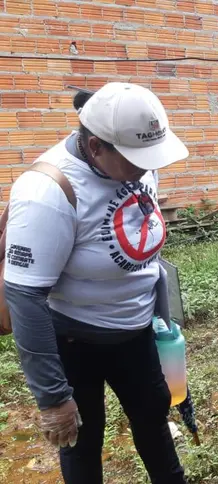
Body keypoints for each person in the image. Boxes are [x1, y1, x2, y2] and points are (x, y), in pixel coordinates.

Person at [4, 83, 189, 483]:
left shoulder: (137, 157)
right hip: (75, 342)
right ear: (95, 146)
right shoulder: (46, 193)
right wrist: (53, 397)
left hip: (136, 333)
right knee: (82, 443)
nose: (147, 167)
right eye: (136, 159)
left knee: (153, 419)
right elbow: (23, 295)